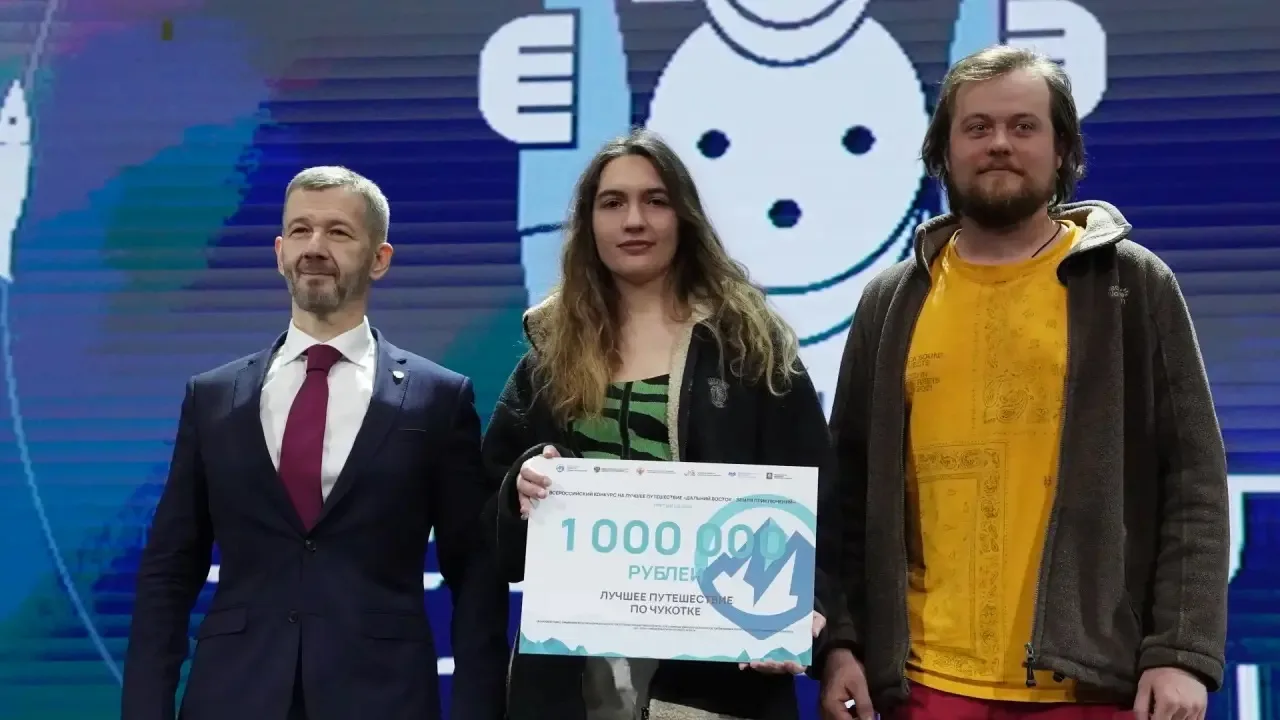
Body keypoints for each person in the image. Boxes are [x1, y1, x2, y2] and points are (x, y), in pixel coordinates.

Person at [818, 46, 1228, 720]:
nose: (1000, 144)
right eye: (977, 127)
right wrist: (841, 644)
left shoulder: (1131, 285)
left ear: (1062, 150)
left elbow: (1194, 485)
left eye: (1023, 126)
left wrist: (1181, 651)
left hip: (1093, 685)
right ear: (944, 152)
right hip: (923, 685)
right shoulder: (891, 301)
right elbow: (846, 496)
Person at [121, 166, 510, 720]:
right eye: (300, 230)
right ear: (280, 251)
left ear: (380, 258)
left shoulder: (438, 398)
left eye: (338, 232)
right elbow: (170, 568)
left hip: (382, 698)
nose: (315, 247)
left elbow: (474, 572)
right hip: (233, 695)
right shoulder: (212, 397)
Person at [481, 128, 843, 720]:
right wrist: (517, 490)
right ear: (589, 224)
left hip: (718, 685)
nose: (634, 221)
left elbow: (820, 501)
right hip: (572, 685)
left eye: (655, 200)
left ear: (684, 217)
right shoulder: (549, 353)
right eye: (612, 203)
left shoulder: (749, 348)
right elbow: (488, 515)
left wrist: (814, 607)